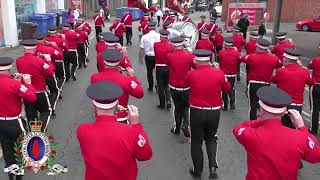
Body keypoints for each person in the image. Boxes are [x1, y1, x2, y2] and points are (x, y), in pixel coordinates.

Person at [233, 86, 320, 180]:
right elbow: (316, 155)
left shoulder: (251, 135)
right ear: (283, 113)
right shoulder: (300, 138)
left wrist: (263, 120)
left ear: (261, 109)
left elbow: (238, 128)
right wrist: (301, 126)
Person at [77, 81, 152, 180]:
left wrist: (114, 112)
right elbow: (145, 155)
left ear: (93, 105)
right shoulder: (131, 131)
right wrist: (136, 125)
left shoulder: (82, 130)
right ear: (117, 103)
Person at [187, 49, 231, 179]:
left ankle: (197, 171)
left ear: (196, 60)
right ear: (210, 60)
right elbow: (228, 88)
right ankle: (212, 167)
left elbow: (187, 84)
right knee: (211, 138)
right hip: (214, 112)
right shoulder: (219, 73)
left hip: (197, 111)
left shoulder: (191, 74)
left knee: (196, 141)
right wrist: (221, 74)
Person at [0, 57, 36, 180]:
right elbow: (32, 97)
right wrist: (28, 83)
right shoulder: (15, 84)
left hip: (1, 122)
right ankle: (19, 176)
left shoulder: (13, 82)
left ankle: (11, 174)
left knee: (6, 149)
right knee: (20, 149)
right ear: (9, 68)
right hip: (15, 122)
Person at [91, 50, 143, 123]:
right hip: (120, 118)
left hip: (101, 118)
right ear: (119, 62)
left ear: (104, 62)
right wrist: (133, 77)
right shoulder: (125, 80)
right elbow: (140, 93)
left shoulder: (94, 78)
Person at [16, 39, 55, 132]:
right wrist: (48, 61)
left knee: (31, 116)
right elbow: (50, 72)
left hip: (27, 92)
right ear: (35, 48)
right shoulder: (39, 60)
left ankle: (34, 133)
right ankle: (40, 130)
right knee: (46, 111)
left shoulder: (18, 60)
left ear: (24, 49)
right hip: (40, 92)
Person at [272, 48, 314, 128]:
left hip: (283, 105)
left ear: (286, 60)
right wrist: (303, 68)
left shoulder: (281, 71)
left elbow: (273, 80)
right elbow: (311, 82)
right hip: (297, 105)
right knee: (294, 129)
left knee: (283, 128)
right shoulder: (304, 72)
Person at [241, 38, 281, 120]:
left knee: (252, 106)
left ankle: (252, 123)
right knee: (264, 106)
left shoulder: (251, 57)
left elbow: (242, 58)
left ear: (257, 47)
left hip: (253, 84)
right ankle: (263, 121)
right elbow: (279, 64)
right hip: (266, 85)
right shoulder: (274, 58)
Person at [166, 36, 195, 137]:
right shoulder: (189, 56)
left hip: (174, 87)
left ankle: (177, 128)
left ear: (173, 45)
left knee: (177, 108)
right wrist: (189, 51)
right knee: (186, 106)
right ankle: (185, 125)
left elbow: (168, 64)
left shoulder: (169, 56)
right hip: (186, 87)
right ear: (183, 44)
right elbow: (195, 66)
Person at [34, 33, 62, 118]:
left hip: (38, 76)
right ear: (44, 39)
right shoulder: (49, 49)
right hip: (49, 73)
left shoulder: (33, 51)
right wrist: (55, 46)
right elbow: (60, 56)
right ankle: (51, 107)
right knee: (54, 91)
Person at [218, 37, 240, 111]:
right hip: (232, 75)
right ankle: (232, 103)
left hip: (224, 75)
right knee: (232, 89)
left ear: (225, 44)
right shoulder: (236, 53)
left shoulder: (221, 53)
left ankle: (225, 106)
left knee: (224, 91)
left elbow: (219, 60)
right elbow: (238, 62)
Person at [154, 29, 174, 110]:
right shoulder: (171, 46)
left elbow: (156, 53)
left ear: (160, 36)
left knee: (160, 86)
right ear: (167, 37)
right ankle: (168, 100)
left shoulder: (156, 44)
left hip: (159, 67)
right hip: (167, 67)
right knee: (166, 85)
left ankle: (162, 104)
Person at [45, 25, 67, 97]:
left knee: (53, 78)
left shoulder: (45, 40)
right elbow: (65, 48)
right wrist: (63, 39)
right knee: (61, 77)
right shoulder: (59, 40)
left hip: (49, 62)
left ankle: (54, 91)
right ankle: (58, 90)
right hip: (59, 61)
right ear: (56, 31)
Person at [139, 21, 160, 92]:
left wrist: (140, 58)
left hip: (148, 56)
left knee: (149, 72)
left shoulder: (144, 37)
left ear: (148, 28)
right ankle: (157, 86)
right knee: (157, 71)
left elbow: (142, 49)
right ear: (155, 27)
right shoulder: (159, 36)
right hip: (157, 56)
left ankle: (150, 87)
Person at [308, 49, 320, 135]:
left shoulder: (316, 60)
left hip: (316, 85)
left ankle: (314, 129)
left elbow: (309, 66)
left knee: (314, 109)